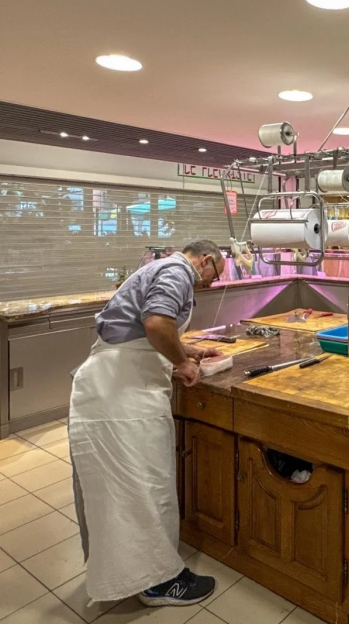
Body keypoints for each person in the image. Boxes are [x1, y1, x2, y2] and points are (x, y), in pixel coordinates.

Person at [69, 240, 227, 607]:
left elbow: (145, 332)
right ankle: (158, 582)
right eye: (213, 276)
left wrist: (190, 350)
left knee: (124, 489)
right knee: (147, 485)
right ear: (205, 260)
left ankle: (133, 573)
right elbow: (156, 323)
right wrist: (185, 365)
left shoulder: (159, 269)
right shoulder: (177, 271)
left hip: (116, 389)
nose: (209, 284)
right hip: (123, 395)